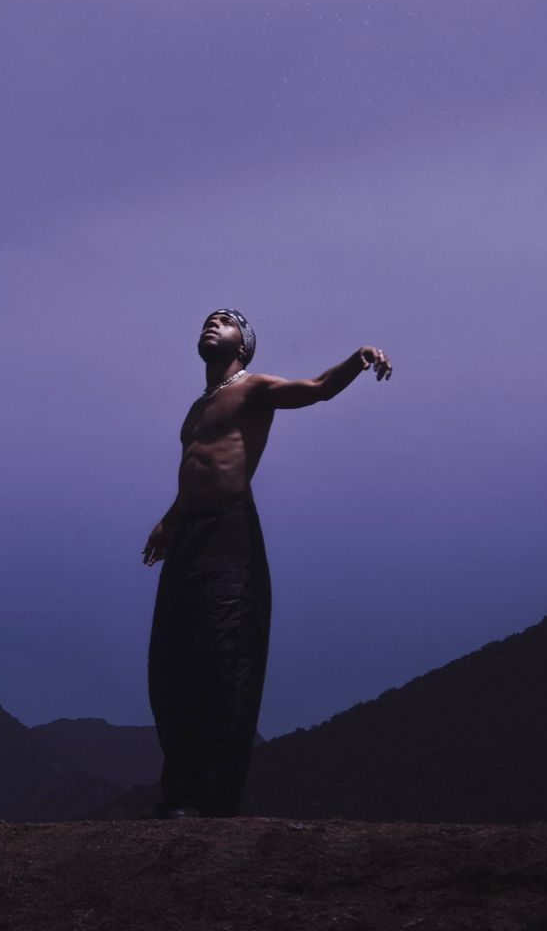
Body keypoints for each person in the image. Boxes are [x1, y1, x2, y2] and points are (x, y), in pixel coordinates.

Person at [143, 308, 392, 818]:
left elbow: (317, 386)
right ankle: (178, 793)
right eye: (207, 320)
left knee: (225, 656)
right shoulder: (196, 408)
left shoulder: (254, 387)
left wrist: (357, 359)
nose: (211, 324)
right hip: (187, 535)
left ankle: (214, 798)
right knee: (171, 661)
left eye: (225, 321)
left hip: (228, 533)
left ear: (243, 344)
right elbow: (196, 469)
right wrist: (169, 521)